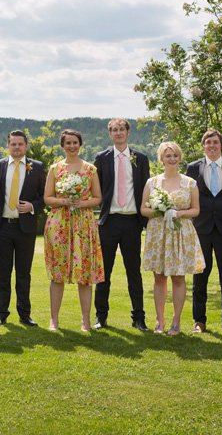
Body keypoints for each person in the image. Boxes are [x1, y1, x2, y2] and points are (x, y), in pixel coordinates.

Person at [140, 141, 204, 335]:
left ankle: (176, 321)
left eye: (175, 155)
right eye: (168, 156)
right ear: (161, 159)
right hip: (158, 233)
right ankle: (159, 320)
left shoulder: (190, 182)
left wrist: (179, 214)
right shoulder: (152, 182)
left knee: (178, 277)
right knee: (159, 277)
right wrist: (159, 210)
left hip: (180, 233)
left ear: (180, 157)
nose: (172, 159)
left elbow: (196, 210)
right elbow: (143, 209)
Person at [93, 118, 151, 331]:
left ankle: (139, 318)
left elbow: (147, 188)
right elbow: (96, 189)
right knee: (103, 272)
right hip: (109, 221)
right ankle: (101, 316)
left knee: (134, 272)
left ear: (128, 132)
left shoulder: (140, 158)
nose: (118, 133)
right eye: (114, 130)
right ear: (110, 134)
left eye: (121, 129)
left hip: (132, 222)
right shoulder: (102, 158)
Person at [43, 129, 103, 331]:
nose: (71, 146)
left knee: (84, 273)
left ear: (80, 144)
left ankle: (85, 320)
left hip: (83, 224)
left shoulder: (90, 169)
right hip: (59, 223)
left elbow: (98, 198)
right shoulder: (55, 168)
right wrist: (64, 201)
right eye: (68, 143)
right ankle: (54, 319)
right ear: (62, 145)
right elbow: (47, 198)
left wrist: (82, 203)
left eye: (75, 142)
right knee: (57, 273)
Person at [186, 129, 222, 337]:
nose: (212, 146)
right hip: (201, 229)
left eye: (215, 142)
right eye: (208, 142)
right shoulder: (193, 168)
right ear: (203, 146)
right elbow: (188, 196)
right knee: (200, 277)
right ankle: (199, 321)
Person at [0, 130, 45, 327]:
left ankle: (25, 314)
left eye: (20, 144)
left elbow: (44, 197)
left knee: (23, 273)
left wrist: (32, 206)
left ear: (26, 146)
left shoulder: (36, 167)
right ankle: (2, 314)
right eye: (13, 144)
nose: (16, 147)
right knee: (3, 274)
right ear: (8, 146)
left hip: (26, 228)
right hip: (3, 226)